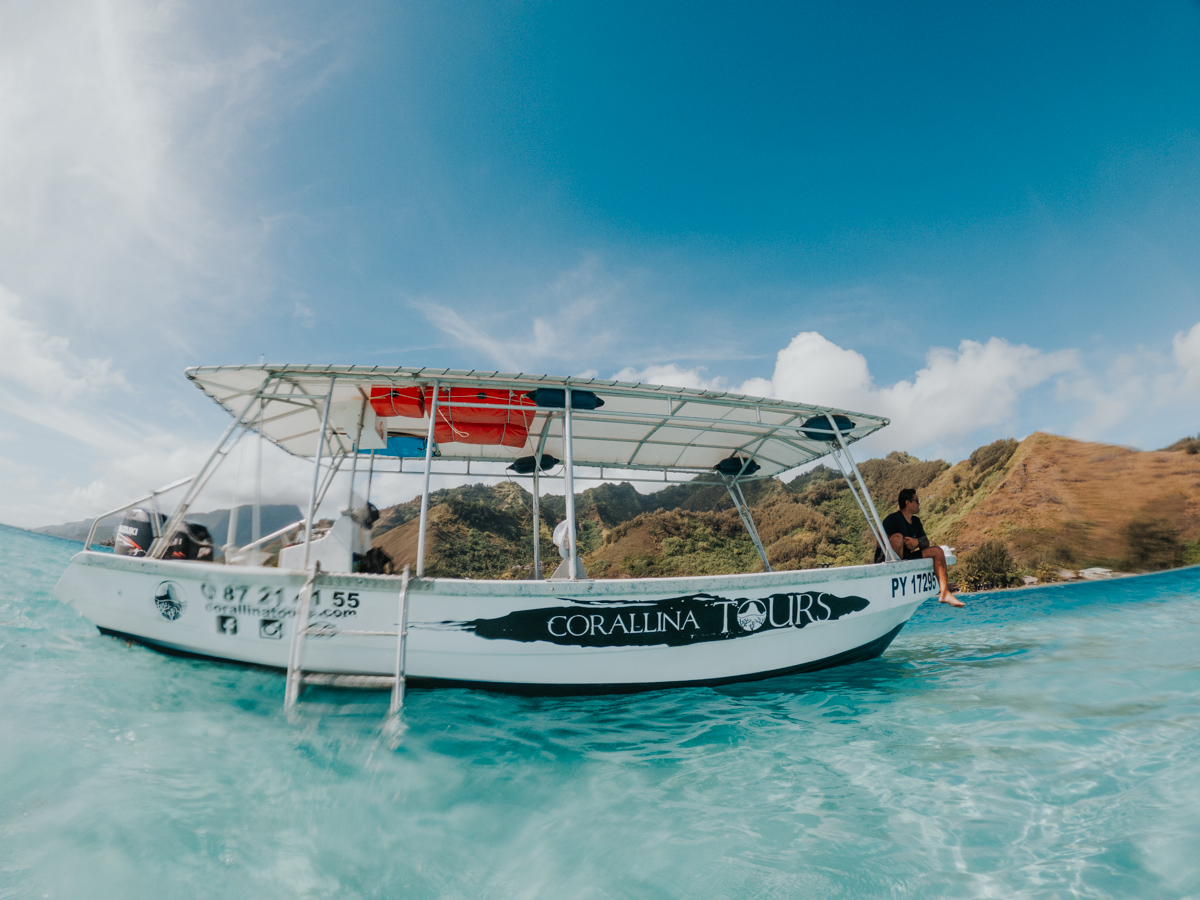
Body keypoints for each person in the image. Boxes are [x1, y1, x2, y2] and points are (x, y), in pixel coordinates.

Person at [879, 488, 964, 608]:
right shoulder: (892, 519)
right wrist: (901, 542)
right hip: (890, 561)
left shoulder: (916, 521)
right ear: (908, 503)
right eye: (917, 500)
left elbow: (926, 543)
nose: (919, 504)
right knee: (897, 538)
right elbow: (879, 543)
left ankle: (945, 593)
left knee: (937, 551)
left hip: (907, 558)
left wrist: (916, 541)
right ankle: (900, 573)